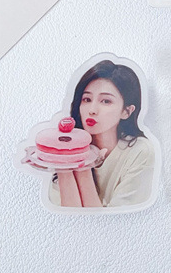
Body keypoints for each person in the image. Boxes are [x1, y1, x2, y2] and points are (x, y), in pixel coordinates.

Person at [51, 60, 156, 209]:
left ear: (126, 111)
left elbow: (109, 220)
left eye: (106, 101)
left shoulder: (140, 151)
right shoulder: (66, 149)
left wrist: (83, 167)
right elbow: (69, 214)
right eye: (86, 99)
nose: (92, 110)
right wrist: (65, 165)